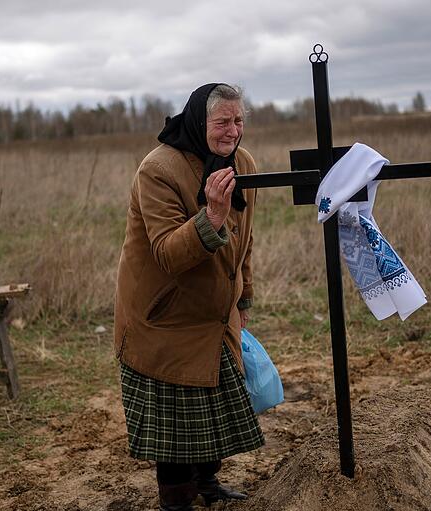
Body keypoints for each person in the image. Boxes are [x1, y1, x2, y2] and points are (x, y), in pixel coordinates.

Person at [113, 83, 263, 510]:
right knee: (176, 425)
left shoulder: (243, 164)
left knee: (213, 406)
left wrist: (244, 299)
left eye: (238, 121)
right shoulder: (158, 170)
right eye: (222, 122)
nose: (232, 131)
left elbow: (244, 243)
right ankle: (176, 500)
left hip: (215, 313)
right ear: (201, 122)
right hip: (164, 316)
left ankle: (208, 485)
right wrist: (211, 214)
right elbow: (166, 254)